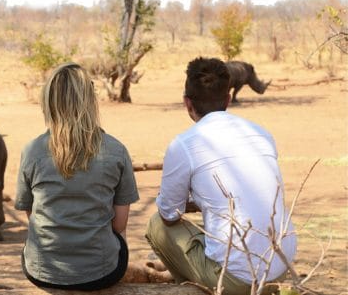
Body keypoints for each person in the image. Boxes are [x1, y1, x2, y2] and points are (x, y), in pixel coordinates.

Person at [145, 57, 297, 295]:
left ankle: (195, 288)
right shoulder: (261, 134)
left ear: (187, 103)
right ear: (228, 99)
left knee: (156, 225)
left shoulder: (184, 144)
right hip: (280, 268)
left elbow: (169, 216)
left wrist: (190, 203)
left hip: (238, 280)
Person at [15, 62, 139, 291]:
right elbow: (119, 224)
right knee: (118, 238)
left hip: (42, 271)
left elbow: (31, 214)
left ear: (48, 102)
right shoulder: (116, 150)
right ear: (91, 102)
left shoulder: (31, 151)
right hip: (102, 273)